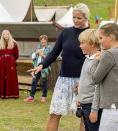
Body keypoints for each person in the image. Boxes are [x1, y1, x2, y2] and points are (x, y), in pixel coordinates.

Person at [27, 3, 90, 131]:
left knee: (84, 116)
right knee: (54, 114)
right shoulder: (65, 32)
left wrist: (86, 80)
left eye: (79, 18)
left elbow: (96, 58)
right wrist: (41, 65)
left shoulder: (91, 34)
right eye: (74, 17)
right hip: (64, 80)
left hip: (83, 81)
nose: (75, 20)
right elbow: (54, 52)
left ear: (86, 18)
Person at [90, 23, 118, 131]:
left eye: (101, 38)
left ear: (110, 37)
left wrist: (95, 62)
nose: (99, 41)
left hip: (112, 108)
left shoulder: (109, 54)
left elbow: (95, 79)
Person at [76, 29, 102, 131]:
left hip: (92, 105)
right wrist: (79, 97)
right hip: (85, 103)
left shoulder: (97, 61)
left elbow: (98, 86)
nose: (80, 46)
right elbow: (84, 81)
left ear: (92, 44)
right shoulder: (88, 59)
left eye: (82, 43)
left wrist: (94, 110)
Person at [24, 35, 52, 102]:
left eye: (44, 39)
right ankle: (31, 97)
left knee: (43, 82)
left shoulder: (49, 48)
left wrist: (42, 55)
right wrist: (37, 52)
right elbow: (32, 56)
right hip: (37, 67)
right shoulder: (38, 47)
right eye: (41, 40)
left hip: (45, 68)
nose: (43, 41)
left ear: (46, 40)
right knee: (34, 81)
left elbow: (50, 58)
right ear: (40, 41)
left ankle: (44, 97)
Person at [0, 29, 19, 99]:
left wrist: (11, 59)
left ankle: (12, 94)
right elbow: (1, 55)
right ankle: (3, 94)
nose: (5, 35)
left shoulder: (14, 43)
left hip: (11, 62)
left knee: (11, 77)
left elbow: (16, 54)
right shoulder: (1, 44)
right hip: (3, 62)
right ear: (2, 35)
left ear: (9, 35)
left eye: (7, 34)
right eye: (4, 34)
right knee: (3, 77)